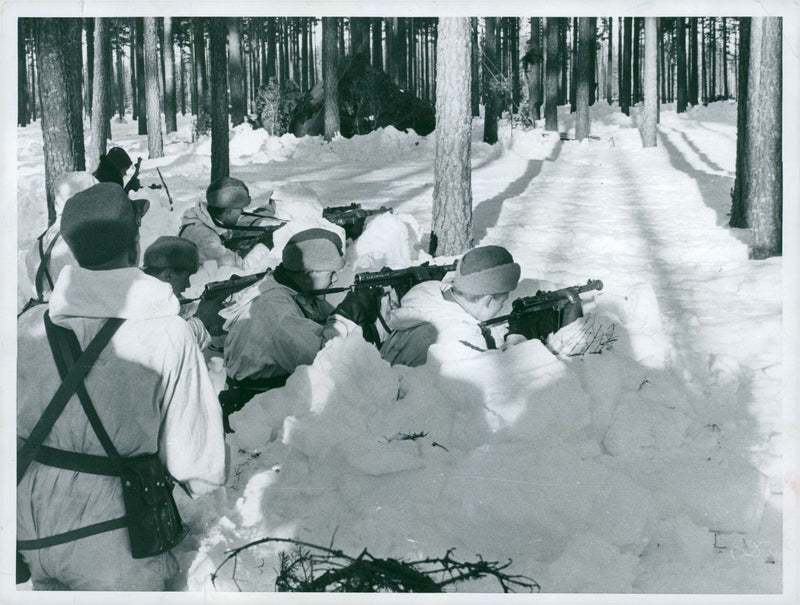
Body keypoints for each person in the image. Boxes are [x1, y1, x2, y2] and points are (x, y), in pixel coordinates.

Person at [17, 182, 226, 591]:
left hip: (29, 531)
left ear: (74, 249)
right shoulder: (170, 333)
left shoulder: (27, 327)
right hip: (117, 538)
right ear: (136, 242)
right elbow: (197, 464)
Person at [218, 227, 380, 430]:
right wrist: (349, 314)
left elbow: (324, 320)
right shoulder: (274, 307)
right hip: (254, 415)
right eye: (331, 273)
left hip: (271, 403)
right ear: (308, 275)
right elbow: (321, 355)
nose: (335, 280)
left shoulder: (293, 290)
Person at [23, 172, 150, 311]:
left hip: (48, 318)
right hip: (86, 318)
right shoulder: (85, 238)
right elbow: (114, 285)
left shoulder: (37, 246)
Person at [380, 245, 522, 367]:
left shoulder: (429, 298)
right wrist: (518, 345)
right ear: (488, 300)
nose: (502, 307)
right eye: (503, 300)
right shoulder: (463, 338)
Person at [142, 236, 226, 349]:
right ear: (169, 275)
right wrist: (202, 321)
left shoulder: (153, 290)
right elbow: (168, 348)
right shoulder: (140, 303)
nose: (188, 284)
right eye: (187, 277)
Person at [178, 176, 273, 271]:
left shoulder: (202, 218)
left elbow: (225, 232)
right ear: (228, 210)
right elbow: (241, 269)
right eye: (240, 208)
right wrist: (263, 247)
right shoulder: (208, 240)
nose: (242, 212)